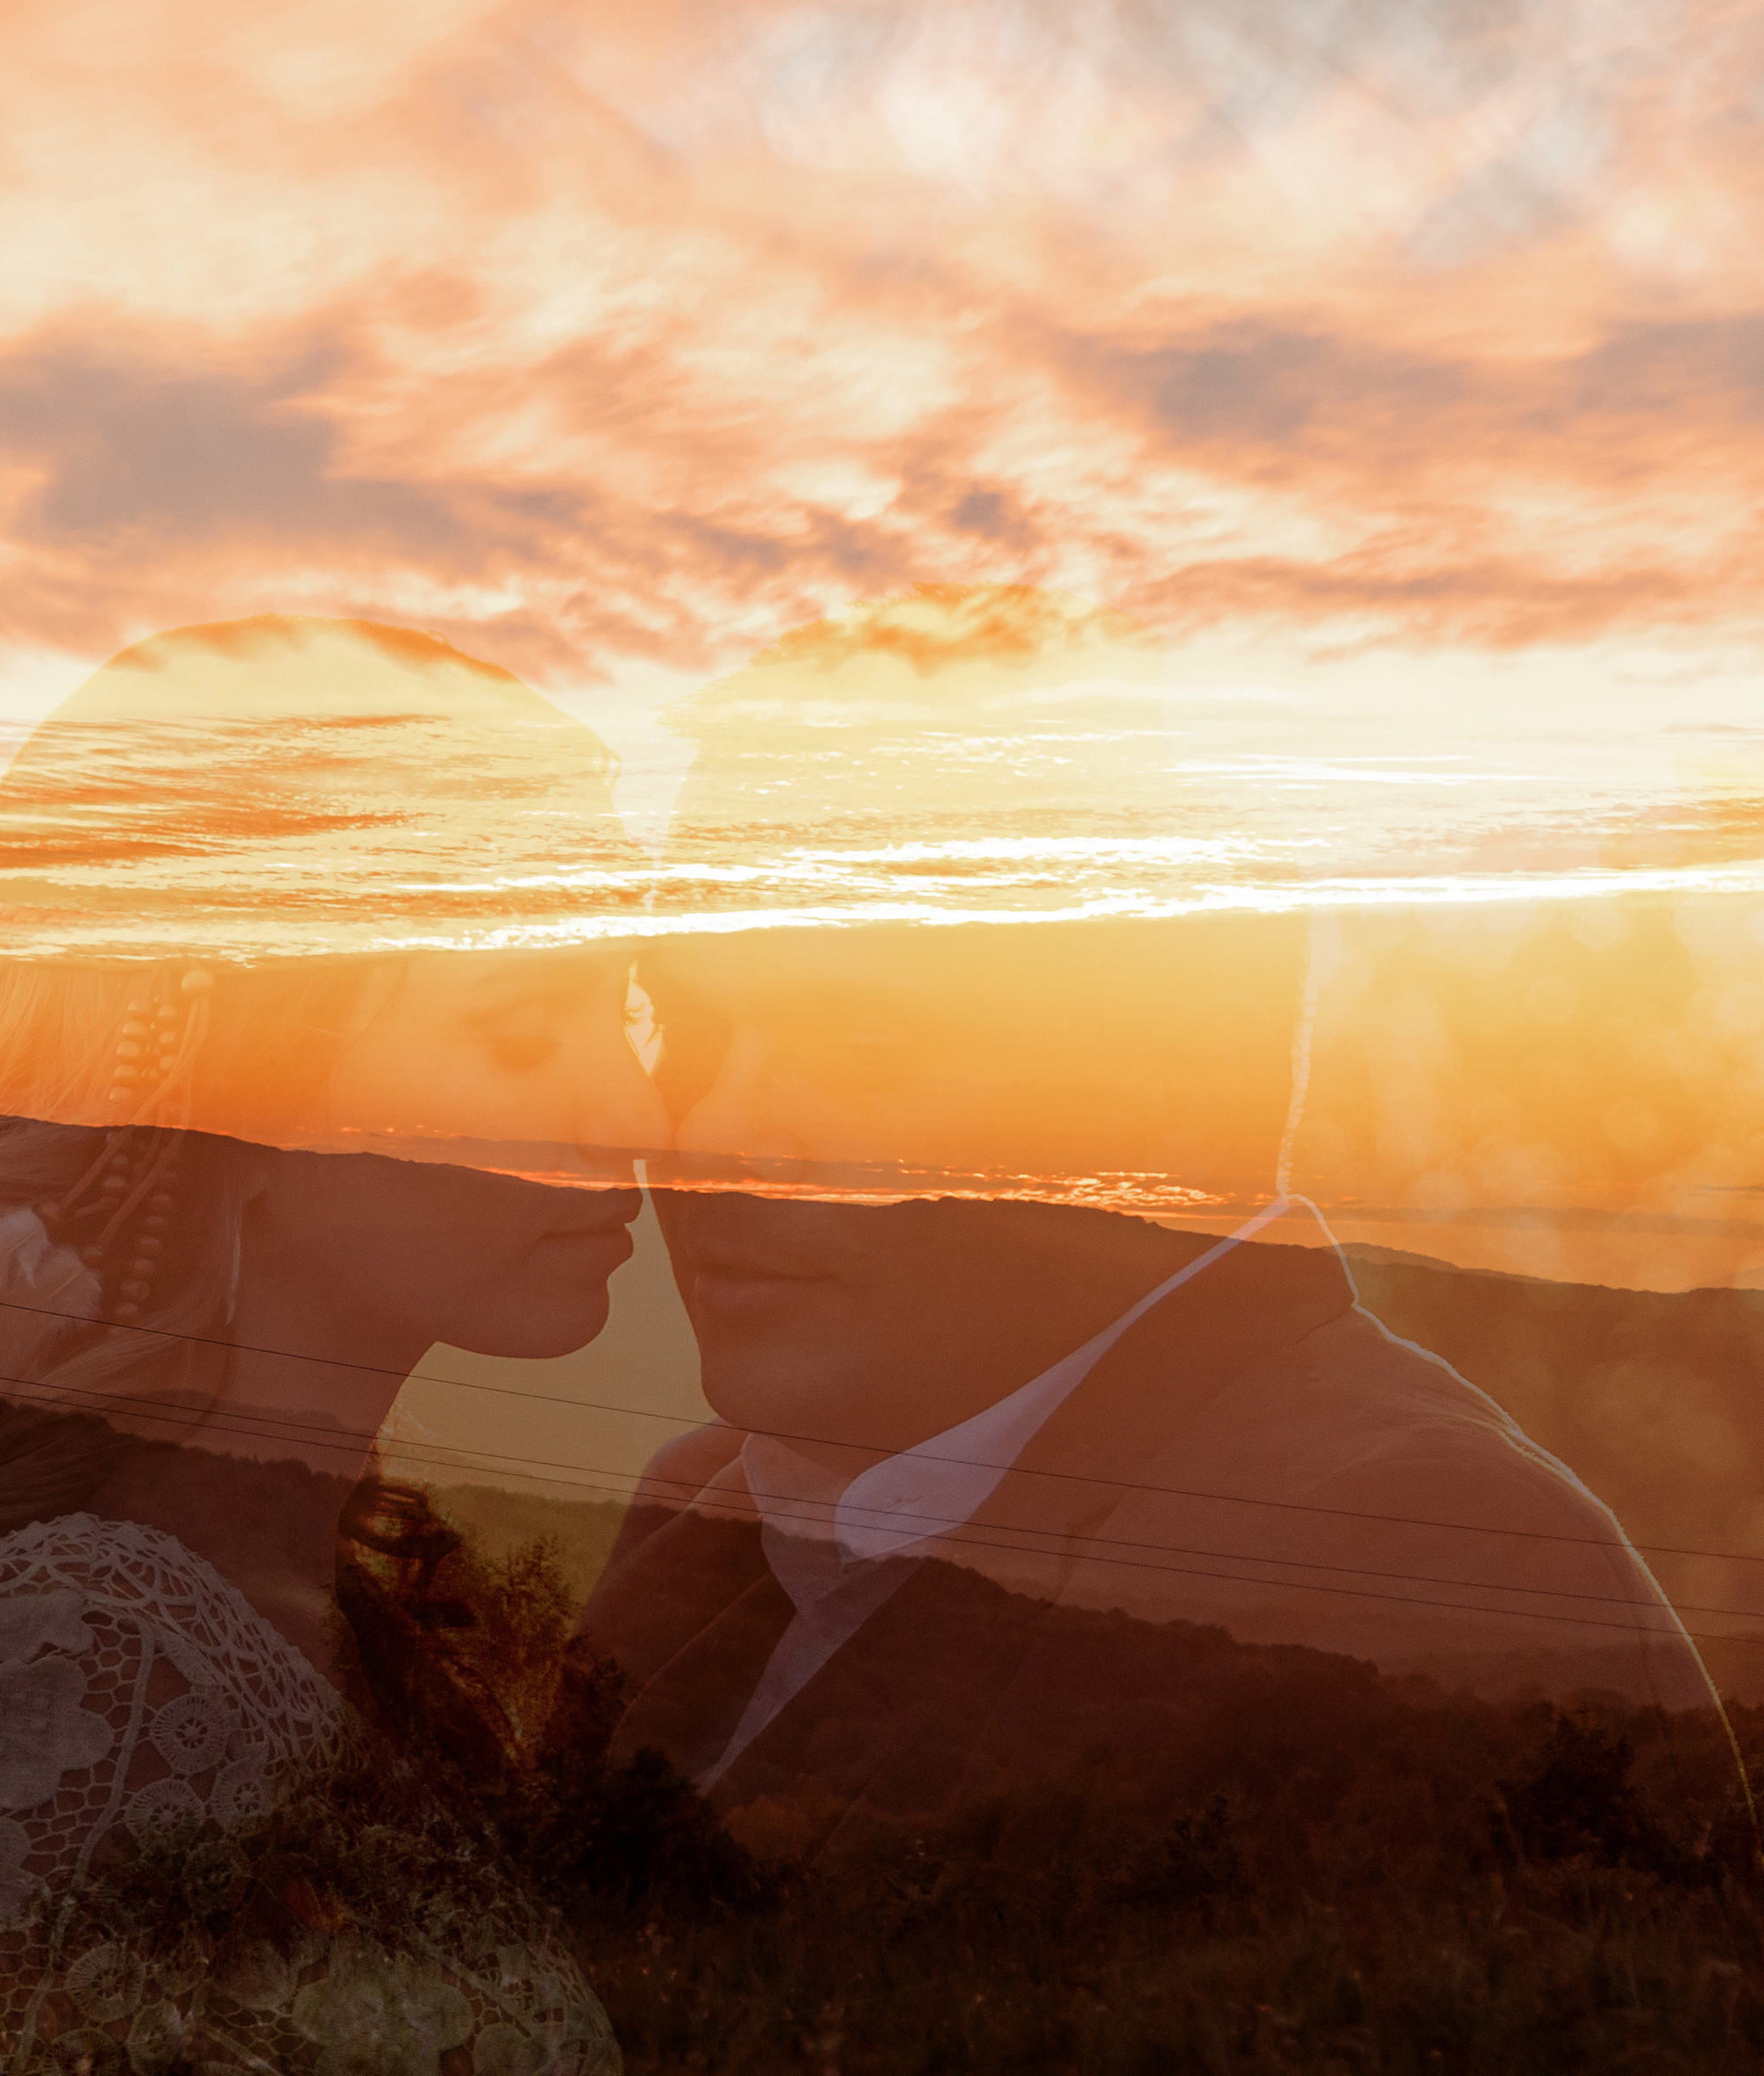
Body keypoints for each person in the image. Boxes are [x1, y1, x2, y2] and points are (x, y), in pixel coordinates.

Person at [0, 616, 665, 2073]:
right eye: (520, 1026)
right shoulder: (71, 1667)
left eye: (624, 1009)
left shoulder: (272, 1606)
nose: (636, 1109)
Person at [582, 587, 1734, 1854]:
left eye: (860, 1041)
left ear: (1170, 1087)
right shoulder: (709, 1507)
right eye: (681, 1029)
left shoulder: (1419, 1577)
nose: (710, 1132)